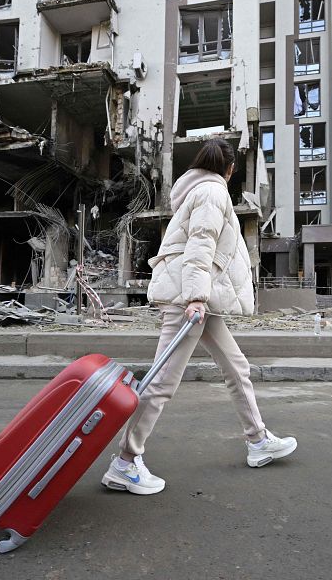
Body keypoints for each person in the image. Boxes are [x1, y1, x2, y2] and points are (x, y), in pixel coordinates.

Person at [101, 138, 297, 495]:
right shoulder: (212, 192)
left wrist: (199, 296)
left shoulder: (200, 189)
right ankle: (125, 463)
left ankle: (258, 440)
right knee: (161, 383)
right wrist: (194, 296)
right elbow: (201, 243)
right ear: (230, 169)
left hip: (201, 300)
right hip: (189, 300)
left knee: (236, 366)